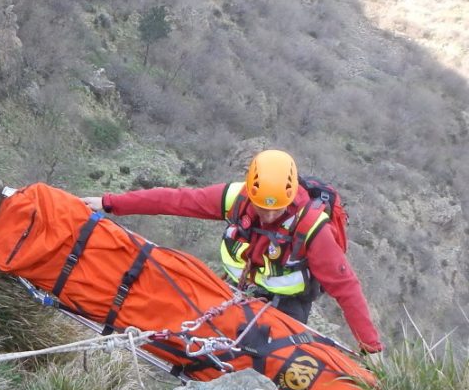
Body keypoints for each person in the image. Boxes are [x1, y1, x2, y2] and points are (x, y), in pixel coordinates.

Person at [81, 149, 382, 352]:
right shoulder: (237, 198)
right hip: (236, 287)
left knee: (266, 357)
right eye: (262, 207)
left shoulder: (313, 229)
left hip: (287, 304)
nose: (267, 215)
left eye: (275, 209)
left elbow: (346, 289)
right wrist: (110, 203)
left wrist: (370, 348)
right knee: (198, 335)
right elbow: (175, 200)